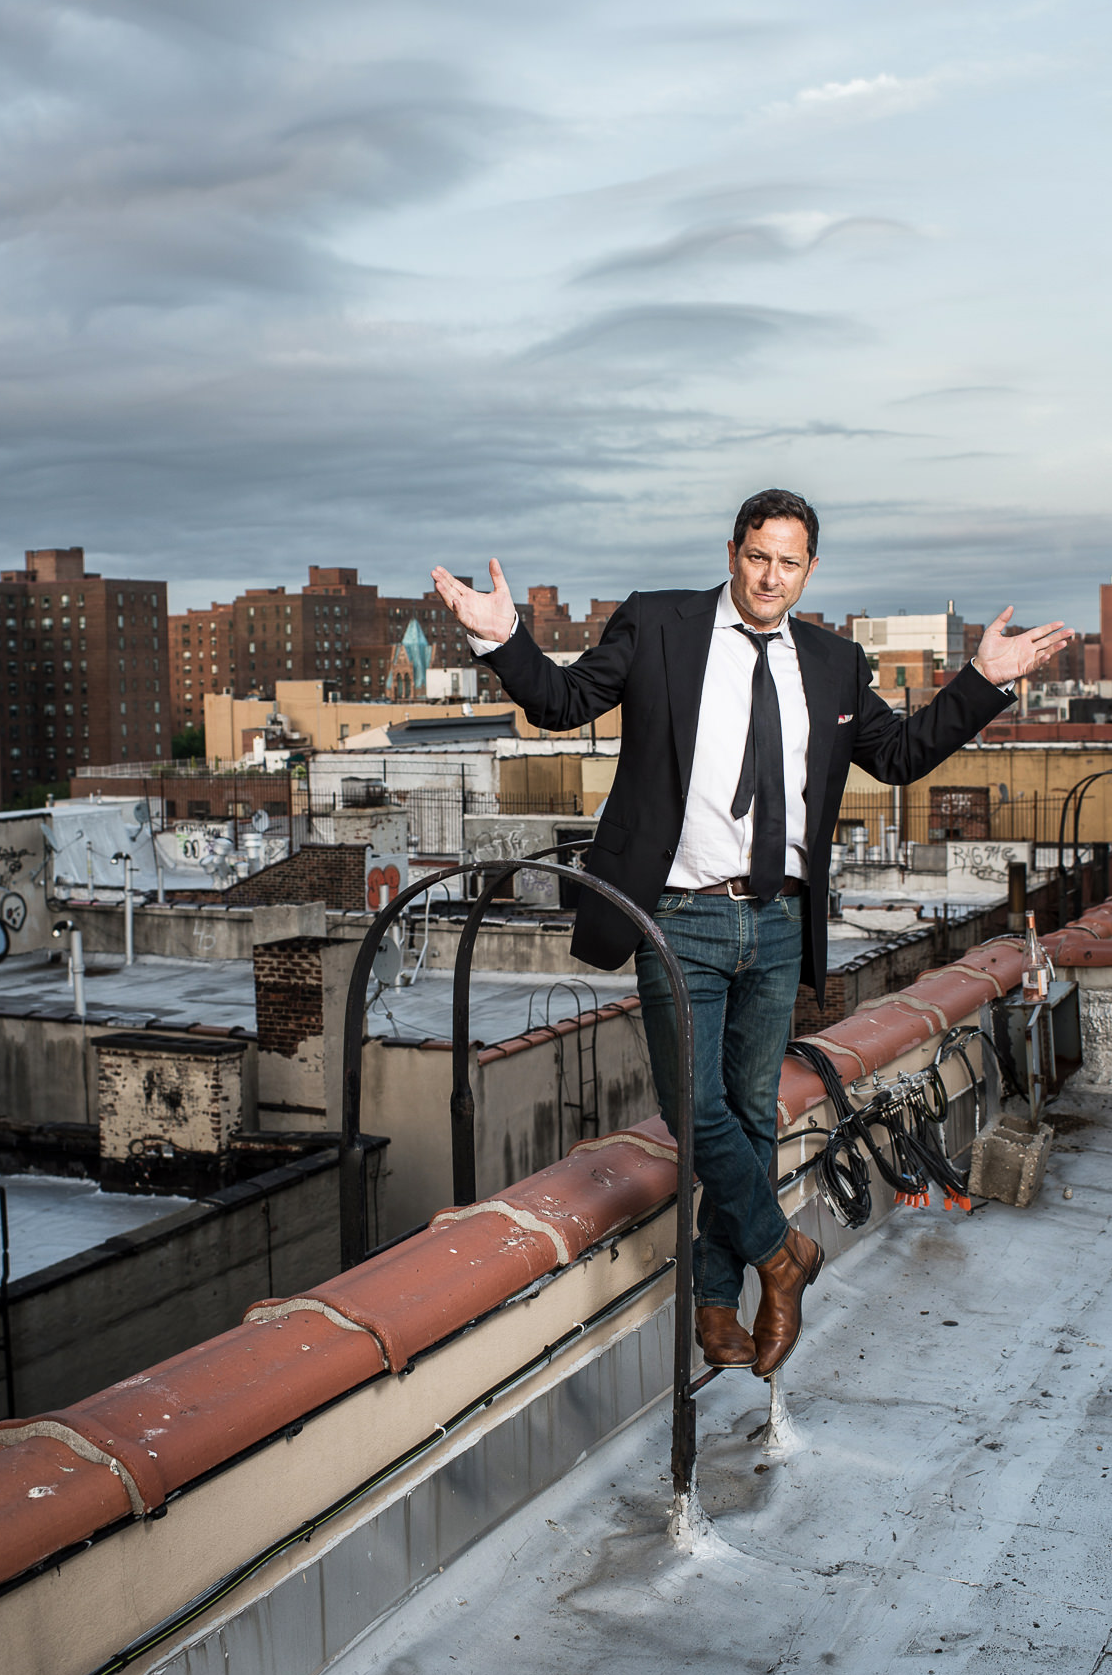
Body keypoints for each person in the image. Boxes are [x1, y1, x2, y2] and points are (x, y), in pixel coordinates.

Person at [431, 490, 1072, 1378]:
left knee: (746, 1117)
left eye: (789, 562)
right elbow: (565, 703)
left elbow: (897, 757)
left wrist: (985, 681)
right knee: (697, 1114)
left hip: (777, 920)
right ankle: (784, 1257)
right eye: (757, 556)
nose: (770, 577)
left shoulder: (835, 662)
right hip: (678, 915)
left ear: (810, 571)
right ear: (731, 552)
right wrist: (501, 639)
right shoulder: (660, 624)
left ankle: (712, 1298)